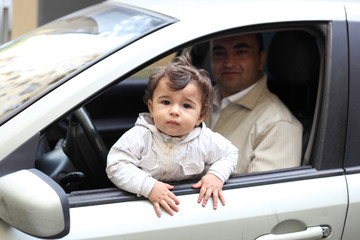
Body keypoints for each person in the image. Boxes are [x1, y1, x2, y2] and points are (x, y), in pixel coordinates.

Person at [106, 55, 238, 218]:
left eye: (186, 106)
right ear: (151, 107)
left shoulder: (204, 139)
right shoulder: (140, 135)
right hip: (144, 208)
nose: (174, 111)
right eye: (166, 102)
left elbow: (230, 153)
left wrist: (215, 175)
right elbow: (116, 164)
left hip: (192, 209)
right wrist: (148, 187)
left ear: (200, 116)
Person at [205, 33, 303, 174]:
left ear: (261, 59)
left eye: (241, 52)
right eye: (219, 53)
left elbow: (263, 195)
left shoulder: (278, 124)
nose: (229, 62)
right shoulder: (192, 101)